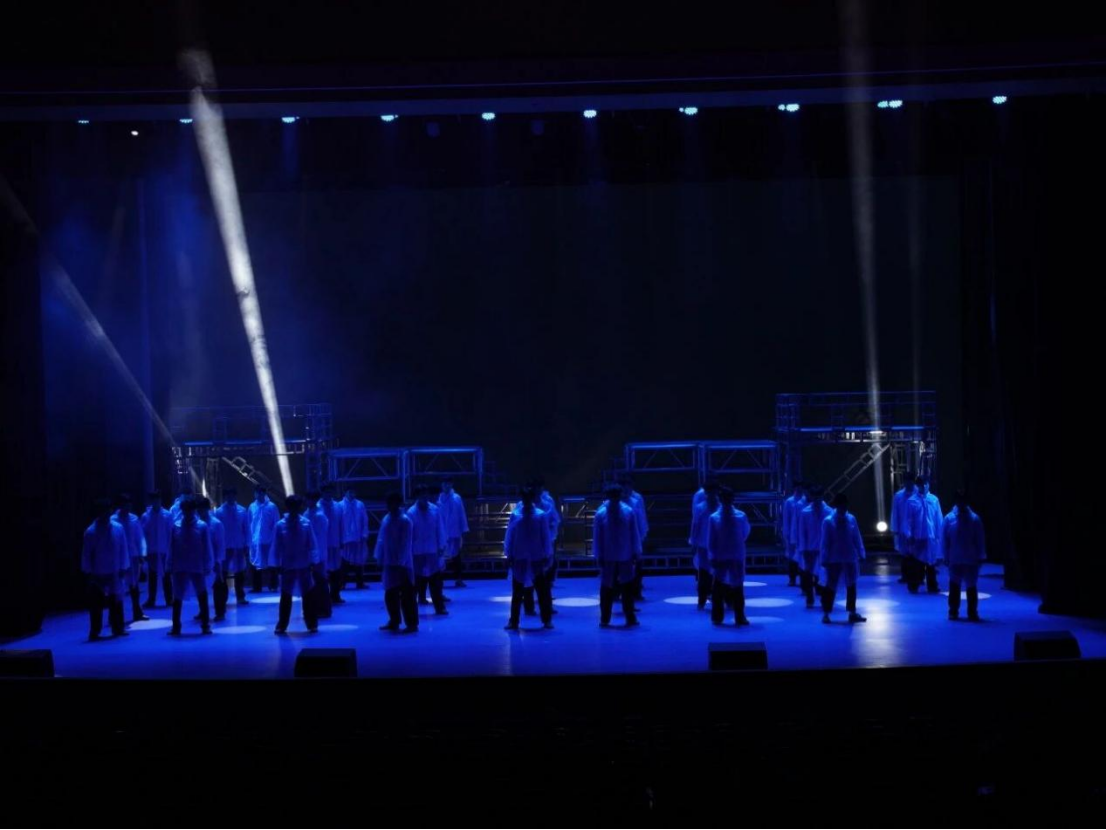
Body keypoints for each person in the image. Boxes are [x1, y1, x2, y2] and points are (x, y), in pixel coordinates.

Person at [503, 488, 554, 630]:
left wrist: (547, 555)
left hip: (536, 557)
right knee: (517, 592)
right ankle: (513, 621)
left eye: (527, 498)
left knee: (542, 591)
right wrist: (508, 554)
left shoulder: (540, 515)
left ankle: (547, 620)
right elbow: (509, 536)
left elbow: (545, 537)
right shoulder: (515, 515)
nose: (525, 500)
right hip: (519, 557)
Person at [270, 495, 321, 635]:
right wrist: (276, 564)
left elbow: (312, 544)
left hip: (304, 564)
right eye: (292, 507)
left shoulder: (306, 523)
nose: (294, 509)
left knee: (308, 595)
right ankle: (282, 624)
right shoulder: (280, 525)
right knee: (286, 596)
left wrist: (314, 561)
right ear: (288, 507)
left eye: (297, 507)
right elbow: (276, 546)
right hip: (288, 566)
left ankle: (312, 624)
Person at [81, 498, 129, 640]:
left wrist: (123, 566)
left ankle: (118, 628)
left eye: (108, 510)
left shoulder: (118, 528)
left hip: (114, 570)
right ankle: (95, 631)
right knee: (96, 604)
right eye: (104, 511)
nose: (106, 513)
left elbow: (123, 549)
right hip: (98, 573)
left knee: (116, 601)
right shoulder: (91, 532)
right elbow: (86, 554)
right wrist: (88, 572)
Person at [593, 483, 641, 628]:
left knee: (627, 587)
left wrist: (636, 551)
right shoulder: (601, 513)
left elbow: (634, 533)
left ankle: (630, 616)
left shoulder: (628, 512)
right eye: (612, 496)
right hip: (608, 555)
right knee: (607, 588)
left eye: (616, 496)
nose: (614, 498)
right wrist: (598, 555)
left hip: (625, 554)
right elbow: (597, 537)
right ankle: (605, 618)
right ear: (608, 496)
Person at [167, 497, 214, 636]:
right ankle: (176, 626)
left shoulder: (202, 526)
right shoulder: (176, 526)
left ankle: (205, 625)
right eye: (185, 510)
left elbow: (207, 547)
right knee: (177, 597)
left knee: (202, 594)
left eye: (190, 510)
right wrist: (169, 564)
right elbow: (171, 547)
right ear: (182, 511)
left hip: (196, 565)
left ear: (194, 511)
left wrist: (208, 565)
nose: (187, 513)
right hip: (179, 566)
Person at [819, 493, 867, 624]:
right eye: (841, 505)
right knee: (831, 586)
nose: (843, 507)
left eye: (845, 505)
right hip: (834, 558)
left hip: (849, 557)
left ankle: (852, 612)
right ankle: (826, 613)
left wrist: (861, 552)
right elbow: (825, 542)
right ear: (837, 506)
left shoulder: (851, 519)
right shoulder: (828, 521)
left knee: (851, 584)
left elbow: (856, 537)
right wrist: (824, 559)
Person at [707, 487, 751, 625]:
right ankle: (719, 617)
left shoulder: (741, 516)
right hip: (723, 556)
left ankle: (738, 616)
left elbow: (744, 533)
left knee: (736, 588)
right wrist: (712, 556)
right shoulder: (714, 518)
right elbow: (711, 539)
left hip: (734, 555)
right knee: (720, 588)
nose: (726, 500)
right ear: (720, 499)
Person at [374, 492, 418, 633]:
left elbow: (406, 544)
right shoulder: (387, 518)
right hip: (389, 562)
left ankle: (411, 623)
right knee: (390, 593)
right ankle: (394, 620)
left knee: (407, 595)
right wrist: (379, 557)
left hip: (402, 564)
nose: (390, 506)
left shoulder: (405, 521)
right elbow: (381, 539)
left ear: (398, 504)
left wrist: (401, 563)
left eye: (392, 503)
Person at [942, 491, 987, 622]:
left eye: (963, 500)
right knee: (954, 585)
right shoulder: (949, 519)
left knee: (971, 586)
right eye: (959, 500)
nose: (961, 503)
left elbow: (980, 539)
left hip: (970, 559)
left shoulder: (974, 519)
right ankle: (953, 611)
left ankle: (972, 612)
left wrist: (981, 556)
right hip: (955, 558)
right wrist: (945, 556)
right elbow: (945, 540)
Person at [408, 486, 448, 615]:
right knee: (416, 581)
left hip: (432, 550)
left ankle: (439, 607)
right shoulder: (411, 513)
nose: (424, 498)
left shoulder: (435, 510)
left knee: (435, 581)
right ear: (417, 497)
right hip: (417, 551)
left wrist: (442, 546)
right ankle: (411, 609)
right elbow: (409, 535)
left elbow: (440, 529)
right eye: (422, 495)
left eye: (426, 495)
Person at [115, 493, 149, 624]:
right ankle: (115, 616)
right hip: (119, 558)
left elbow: (140, 537)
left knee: (134, 585)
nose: (127, 507)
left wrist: (142, 554)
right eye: (125, 504)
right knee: (117, 587)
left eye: (128, 504)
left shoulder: (134, 519)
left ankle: (137, 612)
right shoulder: (113, 520)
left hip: (133, 555)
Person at [797, 487, 832, 608]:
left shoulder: (829, 512)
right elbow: (802, 532)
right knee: (808, 573)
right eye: (815, 497)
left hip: (824, 547)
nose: (817, 500)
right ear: (811, 497)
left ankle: (823, 597)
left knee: (825, 573)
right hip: (810, 547)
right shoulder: (805, 512)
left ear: (822, 497)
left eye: (819, 497)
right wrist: (803, 548)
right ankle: (809, 597)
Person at [215, 487, 250, 607]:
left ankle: (240, 596)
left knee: (240, 572)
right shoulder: (219, 512)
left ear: (235, 496)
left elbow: (246, 529)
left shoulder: (242, 510)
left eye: (233, 495)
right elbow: (217, 531)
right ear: (225, 497)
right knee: (224, 573)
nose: (230, 497)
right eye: (228, 495)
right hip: (225, 546)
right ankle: (223, 598)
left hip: (239, 545)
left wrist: (247, 544)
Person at [688, 482, 720, 609]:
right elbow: (695, 526)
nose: (711, 494)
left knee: (718, 573)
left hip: (717, 545)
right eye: (709, 492)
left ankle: (717, 598)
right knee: (703, 573)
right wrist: (693, 543)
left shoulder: (720, 507)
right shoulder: (700, 508)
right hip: (703, 544)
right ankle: (701, 600)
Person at [141, 490, 174, 608]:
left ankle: (169, 599)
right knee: (152, 576)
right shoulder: (146, 516)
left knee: (166, 576)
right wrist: (144, 552)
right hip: (152, 550)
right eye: (154, 500)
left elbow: (171, 533)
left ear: (160, 500)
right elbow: (143, 534)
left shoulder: (167, 515)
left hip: (164, 549)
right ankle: (151, 599)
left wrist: (171, 549)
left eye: (158, 500)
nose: (156, 502)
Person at [197, 498, 227, 622]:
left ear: (207, 509)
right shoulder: (197, 524)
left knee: (218, 586)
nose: (200, 511)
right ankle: (203, 611)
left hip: (215, 560)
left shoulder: (216, 524)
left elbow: (220, 544)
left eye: (202, 509)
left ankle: (220, 612)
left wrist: (219, 561)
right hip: (201, 560)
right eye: (199, 509)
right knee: (201, 587)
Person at [304, 490, 332, 619]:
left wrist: (316, 556)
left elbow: (319, 538)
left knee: (321, 582)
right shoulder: (308, 513)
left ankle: (324, 609)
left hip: (318, 554)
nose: (308, 501)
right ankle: (318, 608)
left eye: (310, 499)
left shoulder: (319, 516)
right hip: (311, 553)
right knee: (315, 582)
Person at [438, 478, 470, 588]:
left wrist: (463, 530)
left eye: (448, 484)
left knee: (456, 557)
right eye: (444, 484)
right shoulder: (440, 499)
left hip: (454, 532)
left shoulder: (457, 498)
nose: (446, 486)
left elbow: (461, 514)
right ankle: (440, 581)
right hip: (443, 533)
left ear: (451, 484)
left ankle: (458, 579)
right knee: (441, 558)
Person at [621, 476, 649, 601]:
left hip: (634, 537)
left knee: (637, 566)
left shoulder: (636, 500)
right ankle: (619, 592)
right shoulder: (615, 503)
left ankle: (636, 592)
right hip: (621, 540)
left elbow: (641, 518)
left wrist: (642, 535)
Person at [318, 483, 346, 604]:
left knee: (337, 570)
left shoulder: (338, 506)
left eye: (330, 491)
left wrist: (342, 540)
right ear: (322, 492)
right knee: (324, 571)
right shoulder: (318, 507)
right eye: (326, 491)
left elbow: (342, 524)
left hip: (335, 542)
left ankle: (335, 594)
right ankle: (324, 596)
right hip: (322, 544)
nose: (329, 494)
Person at [248, 485, 279, 592]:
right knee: (255, 563)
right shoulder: (252, 506)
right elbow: (249, 523)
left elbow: (276, 523)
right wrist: (250, 539)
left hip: (269, 539)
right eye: (256, 492)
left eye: (260, 492)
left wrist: (275, 539)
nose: (257, 494)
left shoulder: (272, 507)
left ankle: (273, 585)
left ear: (264, 493)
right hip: (256, 540)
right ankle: (257, 587)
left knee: (271, 563)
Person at [339, 486, 369, 590]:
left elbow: (365, 520)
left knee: (359, 561)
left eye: (353, 492)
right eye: (350, 492)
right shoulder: (340, 505)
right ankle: (342, 583)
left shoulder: (360, 504)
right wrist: (340, 537)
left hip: (358, 538)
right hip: (345, 539)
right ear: (345, 493)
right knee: (344, 561)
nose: (352, 494)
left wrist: (364, 534)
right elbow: (339, 523)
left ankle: (360, 583)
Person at [890, 472, 917, 584]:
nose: (908, 483)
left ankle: (917, 576)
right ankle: (905, 575)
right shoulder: (898, 496)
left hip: (916, 529)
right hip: (902, 528)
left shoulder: (918, 494)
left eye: (910, 481)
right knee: (905, 553)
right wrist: (895, 528)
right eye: (906, 481)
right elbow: (895, 512)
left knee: (916, 554)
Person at [781, 480, 806, 587]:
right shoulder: (789, 502)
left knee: (803, 557)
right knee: (792, 557)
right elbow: (786, 518)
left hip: (803, 533)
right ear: (794, 488)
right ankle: (792, 578)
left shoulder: (805, 500)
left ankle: (804, 579)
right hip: (792, 532)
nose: (799, 489)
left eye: (801, 487)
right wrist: (786, 533)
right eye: (797, 487)